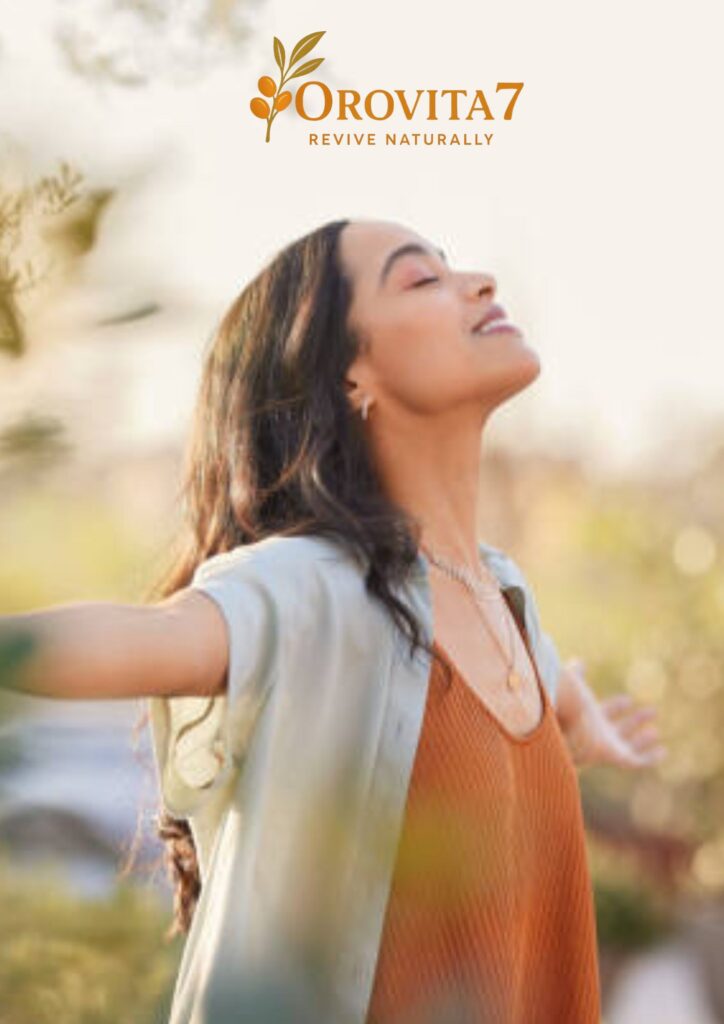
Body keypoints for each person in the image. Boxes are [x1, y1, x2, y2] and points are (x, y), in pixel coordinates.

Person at [1, 218, 667, 1023]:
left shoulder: (505, 598)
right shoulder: (316, 586)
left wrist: (582, 721)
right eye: (421, 280)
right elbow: (156, 636)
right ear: (351, 377)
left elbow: (541, 690)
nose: (481, 282)